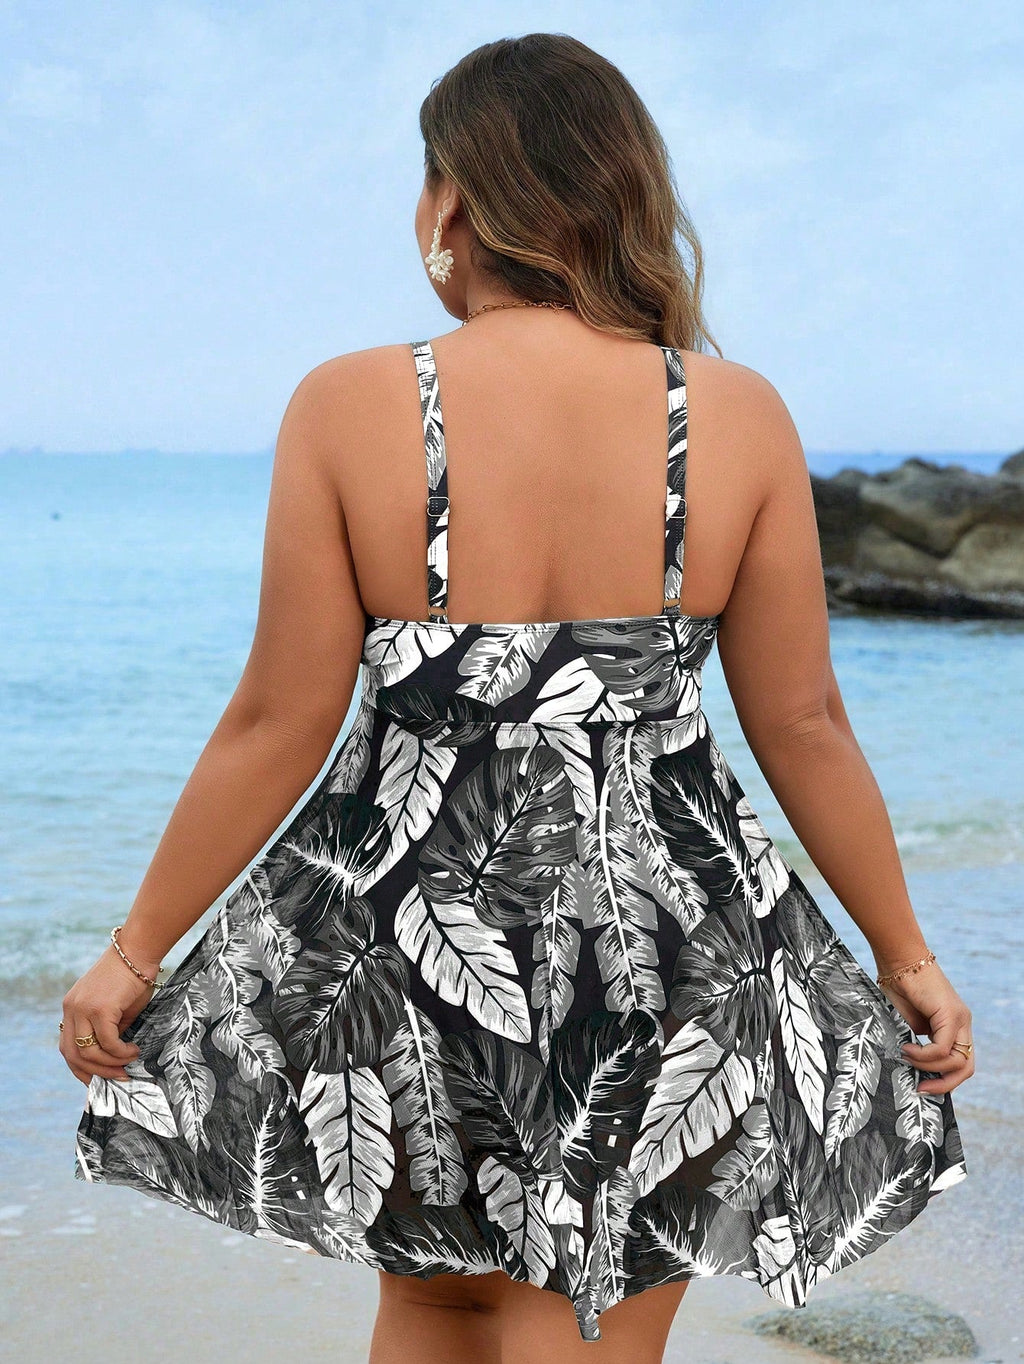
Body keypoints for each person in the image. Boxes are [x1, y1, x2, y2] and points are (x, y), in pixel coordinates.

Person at [62, 32, 973, 1364]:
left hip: (410, 939)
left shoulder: (351, 405)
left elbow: (276, 720)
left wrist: (138, 950)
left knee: (430, 1304)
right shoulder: (733, 414)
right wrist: (906, 958)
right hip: (660, 946)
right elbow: (804, 728)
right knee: (588, 1316)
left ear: (450, 204)